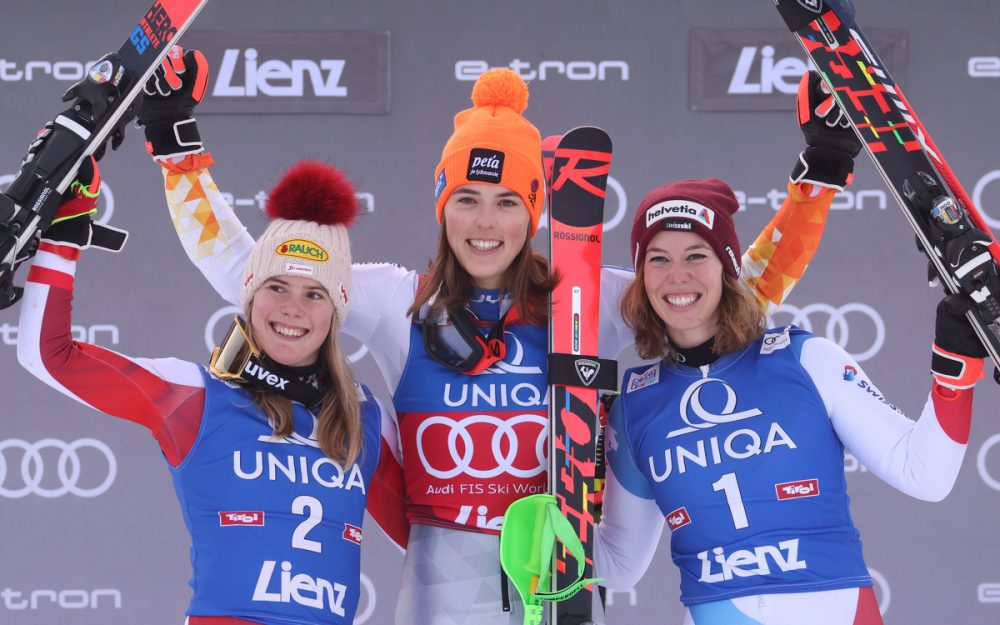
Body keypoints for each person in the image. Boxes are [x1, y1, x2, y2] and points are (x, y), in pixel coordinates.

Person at [138, 46, 861, 624]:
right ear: (441, 202)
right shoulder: (399, 302)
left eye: (507, 202)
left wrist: (818, 176)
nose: (486, 224)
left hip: (556, 590)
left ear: (537, 209)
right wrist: (178, 149)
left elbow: (730, 293)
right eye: (468, 200)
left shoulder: (589, 299)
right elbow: (249, 270)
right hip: (438, 593)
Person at [16, 153, 394, 625]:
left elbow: (424, 525)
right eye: (277, 286)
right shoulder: (196, 395)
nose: (293, 308)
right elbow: (48, 356)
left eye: (314, 294)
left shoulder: (363, 416)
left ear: (334, 312)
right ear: (251, 294)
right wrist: (61, 242)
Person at [593, 176, 985, 624]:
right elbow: (619, 565)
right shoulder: (635, 406)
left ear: (726, 267)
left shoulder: (804, 359)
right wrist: (524, 510)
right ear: (641, 277)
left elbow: (925, 474)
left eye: (696, 256)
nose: (677, 275)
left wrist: (954, 364)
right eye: (658, 259)